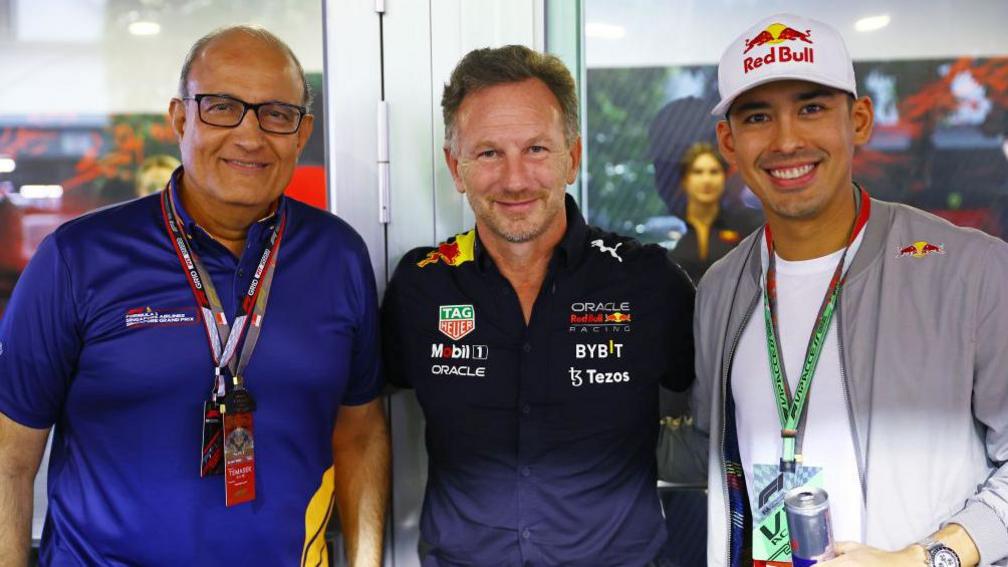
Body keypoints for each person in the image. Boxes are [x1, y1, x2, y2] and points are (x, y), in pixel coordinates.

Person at [0, 25, 389, 566]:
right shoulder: (78, 258)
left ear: (302, 134)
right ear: (180, 119)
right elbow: (9, 455)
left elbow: (361, 431)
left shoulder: (338, 256)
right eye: (222, 107)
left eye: (276, 114)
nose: (251, 136)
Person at [662, 12, 1008, 567]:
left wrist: (924, 558)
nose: (787, 139)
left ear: (861, 119)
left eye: (812, 107)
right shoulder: (721, 287)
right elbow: (714, 451)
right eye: (757, 116)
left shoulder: (971, 270)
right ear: (729, 141)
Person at [381, 45, 695, 566]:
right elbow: (356, 412)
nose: (514, 179)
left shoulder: (646, 280)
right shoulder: (422, 286)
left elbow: (721, 416)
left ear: (571, 158)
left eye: (536, 149)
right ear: (455, 167)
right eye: (488, 153)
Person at [666, 142, 761, 283]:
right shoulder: (665, 228)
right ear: (685, 180)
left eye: (714, 172)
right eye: (697, 172)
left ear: (724, 178)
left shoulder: (749, 224)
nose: (707, 180)